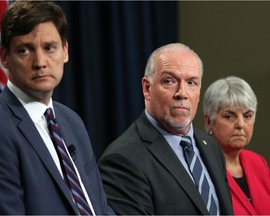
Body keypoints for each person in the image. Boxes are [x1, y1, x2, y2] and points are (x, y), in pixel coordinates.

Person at [0, 1, 114, 215]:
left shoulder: (72, 121)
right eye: (25, 50)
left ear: (65, 51)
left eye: (49, 48)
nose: (40, 62)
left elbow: (99, 207)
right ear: (5, 57)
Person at [98, 43, 234, 215]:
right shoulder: (122, 159)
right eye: (169, 81)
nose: (182, 93)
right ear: (147, 88)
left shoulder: (211, 146)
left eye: (191, 82)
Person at [203, 76, 270, 215]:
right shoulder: (202, 168)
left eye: (247, 116)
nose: (240, 124)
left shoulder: (259, 163)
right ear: (209, 121)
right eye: (229, 116)